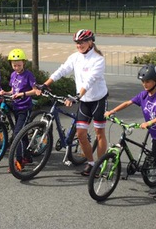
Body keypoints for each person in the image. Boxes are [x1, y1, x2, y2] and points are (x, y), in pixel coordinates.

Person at [37, 29, 108, 176]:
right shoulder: (75, 57)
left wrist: (77, 95)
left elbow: (90, 80)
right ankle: (91, 163)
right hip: (84, 101)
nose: (79, 45)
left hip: (98, 100)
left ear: (90, 42)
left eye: (82, 42)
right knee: (81, 134)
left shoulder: (98, 59)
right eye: (77, 43)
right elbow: (62, 70)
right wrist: (46, 84)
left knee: (99, 133)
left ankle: (100, 165)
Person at [105, 64, 156, 200]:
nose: (144, 84)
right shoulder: (143, 96)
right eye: (143, 81)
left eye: (147, 81)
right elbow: (128, 103)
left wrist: (149, 122)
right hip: (155, 135)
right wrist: (112, 111)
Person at [0, 48, 36, 168]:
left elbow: (35, 91)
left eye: (19, 65)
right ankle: (28, 156)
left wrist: (23, 94)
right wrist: (5, 92)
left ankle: (19, 161)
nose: (16, 68)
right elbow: (13, 90)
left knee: (17, 134)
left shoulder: (28, 75)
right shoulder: (13, 75)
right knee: (22, 133)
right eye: (14, 65)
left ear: (23, 63)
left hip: (24, 108)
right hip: (16, 106)